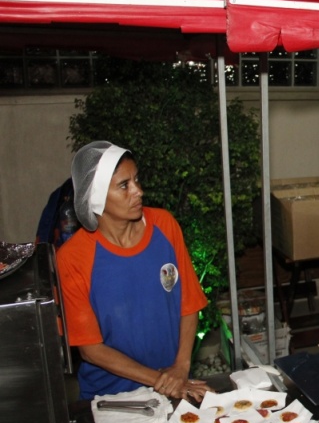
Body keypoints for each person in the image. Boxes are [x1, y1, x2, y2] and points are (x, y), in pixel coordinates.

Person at [57, 141, 212, 401]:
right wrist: (163, 380)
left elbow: (188, 304)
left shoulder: (164, 225)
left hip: (175, 384)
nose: (138, 191)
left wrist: (181, 367)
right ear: (96, 198)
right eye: (124, 185)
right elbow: (91, 350)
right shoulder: (73, 258)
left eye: (136, 180)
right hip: (110, 399)